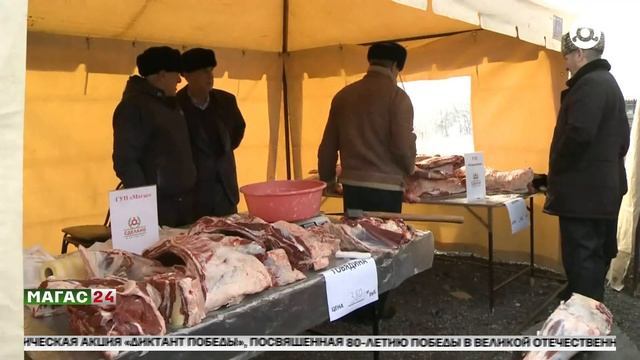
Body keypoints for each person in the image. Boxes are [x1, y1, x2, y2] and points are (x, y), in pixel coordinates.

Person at [544, 27, 630, 302]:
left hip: (584, 194)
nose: (565, 62)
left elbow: (578, 135)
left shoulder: (589, 85)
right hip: (602, 189)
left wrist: (557, 171)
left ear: (579, 54)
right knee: (594, 257)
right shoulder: (608, 83)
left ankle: (582, 326)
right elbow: (623, 142)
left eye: (567, 56)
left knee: (582, 260)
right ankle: (587, 310)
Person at [318, 42, 416, 214]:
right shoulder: (398, 98)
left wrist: (328, 181)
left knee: (356, 237)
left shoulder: (343, 96)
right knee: (387, 237)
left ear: (370, 61)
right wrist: (410, 169)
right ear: (395, 66)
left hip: (352, 187)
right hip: (387, 190)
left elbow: (328, 146)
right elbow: (402, 148)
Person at [112, 46, 197, 227]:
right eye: (176, 74)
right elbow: (125, 161)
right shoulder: (134, 107)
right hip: (158, 208)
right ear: (162, 75)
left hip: (181, 205)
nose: (180, 80)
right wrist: (144, 204)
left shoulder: (169, 104)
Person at [177, 48, 246, 218]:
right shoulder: (175, 107)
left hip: (225, 192)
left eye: (211, 70)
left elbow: (238, 131)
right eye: (203, 71)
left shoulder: (226, 101)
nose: (210, 76)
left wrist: (221, 155)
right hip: (193, 197)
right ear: (187, 75)